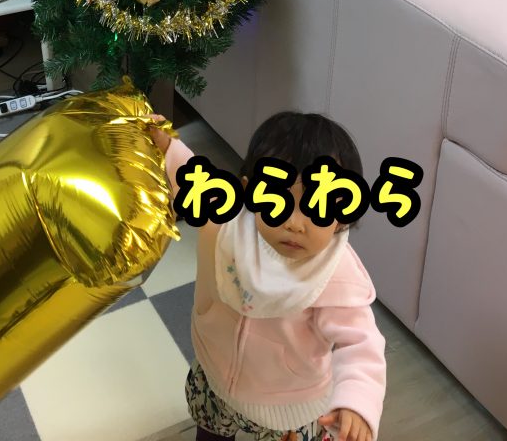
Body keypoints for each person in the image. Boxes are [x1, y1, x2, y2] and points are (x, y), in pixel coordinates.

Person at [148, 111, 386, 441]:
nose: (295, 223)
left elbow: (360, 342)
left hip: (287, 405)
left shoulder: (334, 274)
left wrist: (357, 402)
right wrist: (167, 146)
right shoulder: (231, 222)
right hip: (216, 374)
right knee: (212, 430)